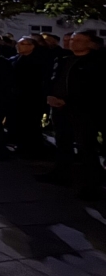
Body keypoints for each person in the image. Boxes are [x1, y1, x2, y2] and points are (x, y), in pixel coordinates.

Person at [43, 30, 106, 199]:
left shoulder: (96, 62)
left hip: (82, 111)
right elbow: (53, 79)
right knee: (63, 142)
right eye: (72, 39)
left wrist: (68, 101)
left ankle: (91, 185)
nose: (73, 42)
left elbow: (94, 89)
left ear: (90, 43)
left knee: (86, 147)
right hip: (59, 109)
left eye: (78, 40)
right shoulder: (64, 59)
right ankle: (61, 174)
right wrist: (50, 95)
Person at [8, 37, 52, 160]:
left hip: (32, 97)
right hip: (16, 96)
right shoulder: (15, 59)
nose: (18, 46)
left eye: (23, 44)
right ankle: (20, 145)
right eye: (18, 43)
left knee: (31, 124)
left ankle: (33, 149)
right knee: (18, 123)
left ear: (32, 46)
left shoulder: (39, 61)